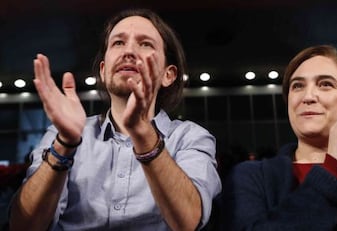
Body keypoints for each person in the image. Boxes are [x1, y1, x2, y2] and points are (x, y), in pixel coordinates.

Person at [8, 8, 221, 231]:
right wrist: (65, 144)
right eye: (118, 43)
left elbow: (189, 221)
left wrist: (143, 134)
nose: (128, 51)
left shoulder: (191, 137)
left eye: (145, 44)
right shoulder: (60, 136)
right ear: (103, 70)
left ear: (168, 75)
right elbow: (23, 226)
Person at [220, 45, 337, 230]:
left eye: (325, 84)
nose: (308, 96)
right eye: (297, 86)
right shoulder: (253, 178)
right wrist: (332, 170)